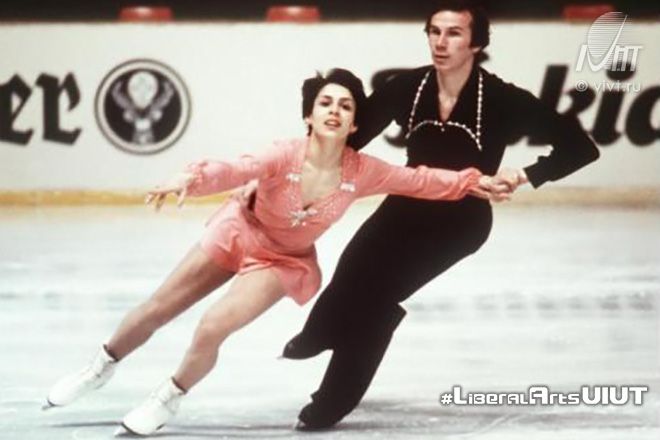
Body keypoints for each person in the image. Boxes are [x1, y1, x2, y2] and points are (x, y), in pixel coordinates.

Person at [43, 68, 507, 436]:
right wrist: (191, 178)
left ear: (354, 124)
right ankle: (99, 367)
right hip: (238, 231)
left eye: (345, 106)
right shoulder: (283, 154)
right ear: (309, 115)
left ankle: (168, 397)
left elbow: (421, 180)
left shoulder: (363, 170)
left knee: (212, 326)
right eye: (325, 103)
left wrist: (473, 181)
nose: (334, 110)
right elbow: (233, 170)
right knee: (158, 308)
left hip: (282, 260)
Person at [282, 0, 601, 430]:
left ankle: (330, 402)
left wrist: (525, 174)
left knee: (376, 300)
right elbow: (350, 140)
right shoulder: (408, 87)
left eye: (454, 33)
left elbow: (580, 147)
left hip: (460, 221)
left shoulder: (502, 99)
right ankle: (321, 331)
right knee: (353, 266)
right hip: (406, 205)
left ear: (476, 43)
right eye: (434, 31)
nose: (441, 42)